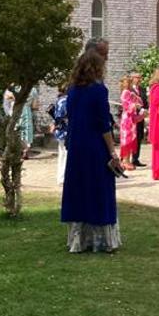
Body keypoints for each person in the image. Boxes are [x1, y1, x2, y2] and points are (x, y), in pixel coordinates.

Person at [60, 50, 121, 253]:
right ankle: (101, 240)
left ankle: (78, 240)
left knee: (78, 189)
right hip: (95, 146)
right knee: (98, 189)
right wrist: (112, 150)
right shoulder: (98, 91)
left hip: (77, 145)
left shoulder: (72, 90)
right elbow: (103, 123)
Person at [118, 76, 142, 170]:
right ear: (123, 83)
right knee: (127, 139)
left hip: (131, 118)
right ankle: (125, 161)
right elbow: (125, 105)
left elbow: (139, 101)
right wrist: (134, 105)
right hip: (127, 118)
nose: (128, 84)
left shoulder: (131, 92)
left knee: (130, 139)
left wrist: (136, 101)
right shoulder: (125, 92)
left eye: (129, 82)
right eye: (126, 82)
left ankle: (127, 160)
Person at [50, 84, 69, 186]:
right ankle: (63, 178)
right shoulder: (66, 101)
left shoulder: (59, 100)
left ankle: (61, 177)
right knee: (66, 155)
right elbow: (63, 115)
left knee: (62, 155)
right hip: (66, 130)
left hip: (60, 131)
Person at [131, 72, 148, 167]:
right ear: (132, 78)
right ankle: (125, 159)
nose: (139, 79)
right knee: (131, 138)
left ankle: (135, 158)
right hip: (132, 118)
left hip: (141, 117)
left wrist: (145, 110)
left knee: (139, 137)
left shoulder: (142, 89)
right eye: (137, 77)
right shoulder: (129, 89)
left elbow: (145, 102)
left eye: (140, 77)